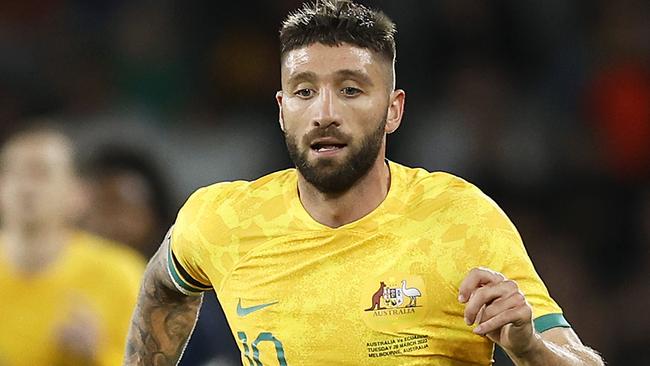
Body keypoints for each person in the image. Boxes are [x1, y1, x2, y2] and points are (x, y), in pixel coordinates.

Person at [124, 1, 604, 365]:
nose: (325, 113)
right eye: (304, 91)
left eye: (351, 90)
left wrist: (531, 348)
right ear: (282, 109)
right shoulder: (223, 218)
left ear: (393, 109)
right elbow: (164, 288)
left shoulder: (460, 220)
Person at [0, 126, 145, 365]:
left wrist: (94, 356)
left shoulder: (120, 273)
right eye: (13, 173)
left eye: (41, 173)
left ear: (78, 193)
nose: (25, 187)